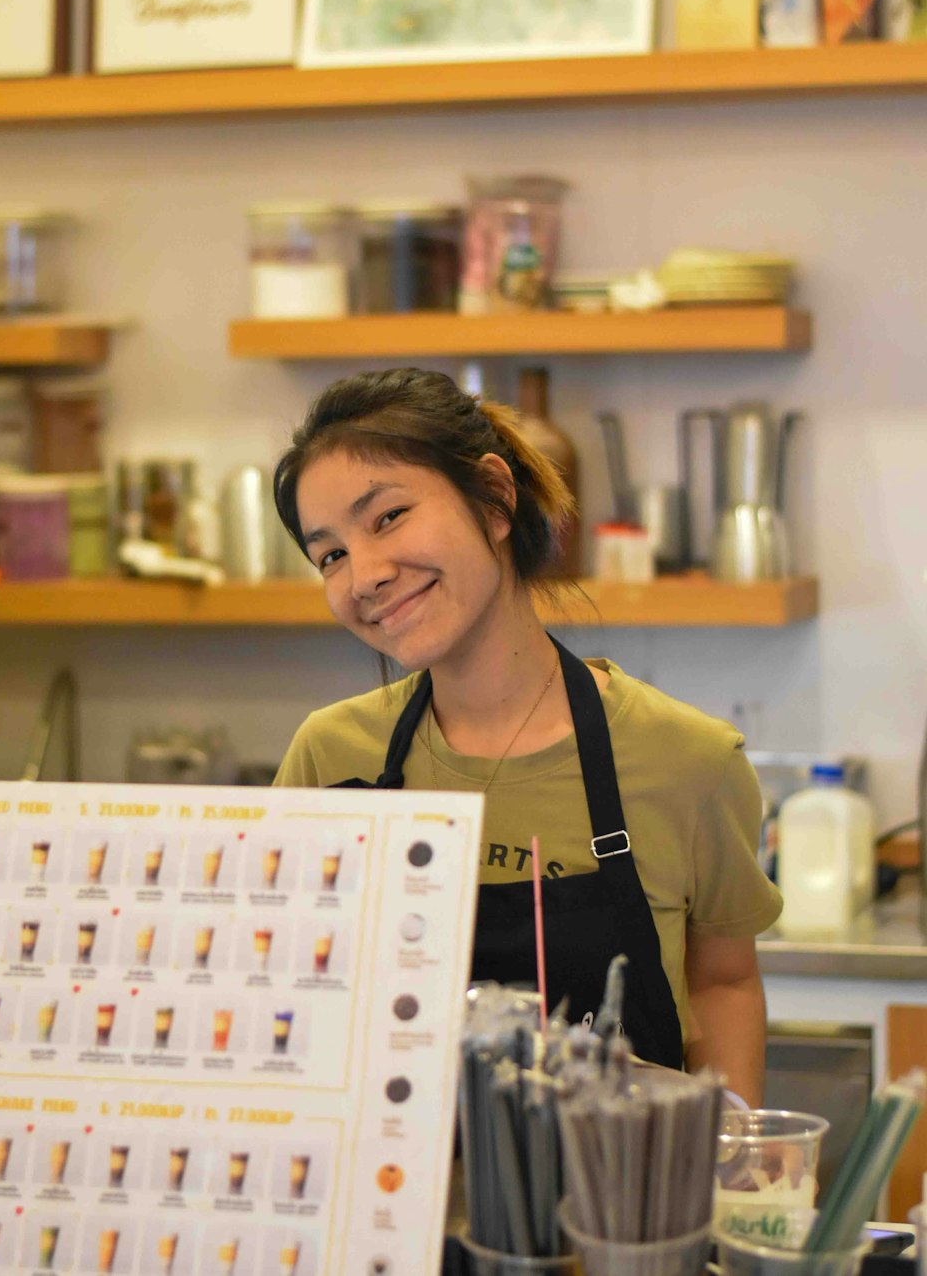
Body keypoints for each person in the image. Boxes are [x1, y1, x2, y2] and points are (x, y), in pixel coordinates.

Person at [273, 367, 782, 1103]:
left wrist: (729, 1173)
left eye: (386, 518)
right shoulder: (329, 755)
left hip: (620, 1204)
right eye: (331, 555)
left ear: (495, 497)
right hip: (395, 1204)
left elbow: (725, 982)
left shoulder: (689, 760)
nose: (365, 576)